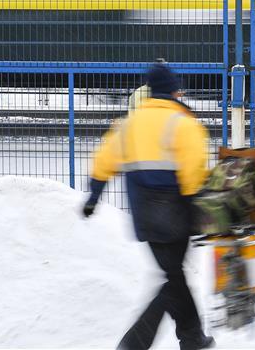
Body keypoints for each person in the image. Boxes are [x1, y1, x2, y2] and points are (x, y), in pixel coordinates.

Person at [81, 62, 215, 350]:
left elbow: (104, 161)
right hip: (176, 214)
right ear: (175, 91)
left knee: (173, 275)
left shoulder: (129, 123)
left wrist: (94, 197)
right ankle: (135, 343)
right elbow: (193, 173)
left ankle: (192, 338)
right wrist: (198, 211)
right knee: (173, 280)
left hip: (143, 216)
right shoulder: (183, 123)